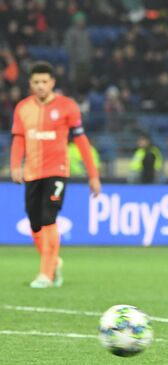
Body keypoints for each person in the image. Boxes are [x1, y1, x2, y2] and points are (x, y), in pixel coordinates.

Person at [10, 61, 101, 288]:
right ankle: (54, 262)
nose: (40, 86)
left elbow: (81, 141)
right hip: (32, 171)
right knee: (34, 223)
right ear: (30, 84)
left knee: (49, 217)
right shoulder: (23, 108)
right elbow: (19, 139)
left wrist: (93, 174)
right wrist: (15, 165)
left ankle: (46, 274)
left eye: (44, 81)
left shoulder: (67, 107)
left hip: (57, 171)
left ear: (52, 82)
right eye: (36, 82)